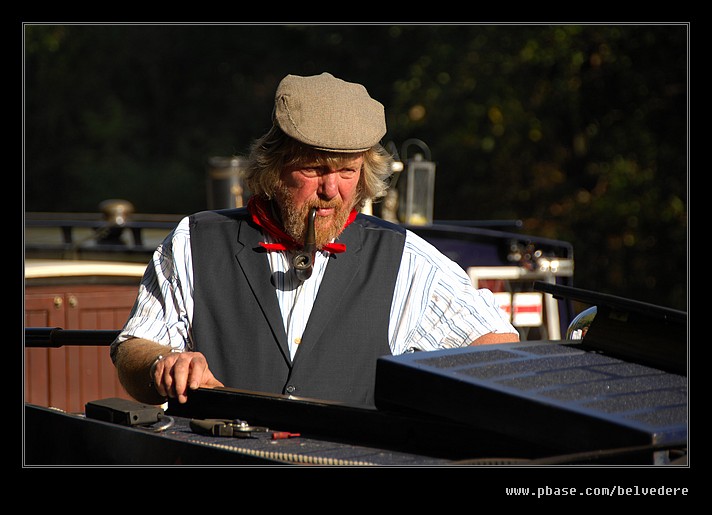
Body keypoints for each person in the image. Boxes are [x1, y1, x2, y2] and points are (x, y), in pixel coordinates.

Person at [110, 72, 519, 409]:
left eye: (347, 171)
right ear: (273, 166)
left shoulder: (406, 261)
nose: (331, 189)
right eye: (313, 169)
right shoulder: (195, 243)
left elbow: (499, 350)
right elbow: (133, 347)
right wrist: (163, 364)